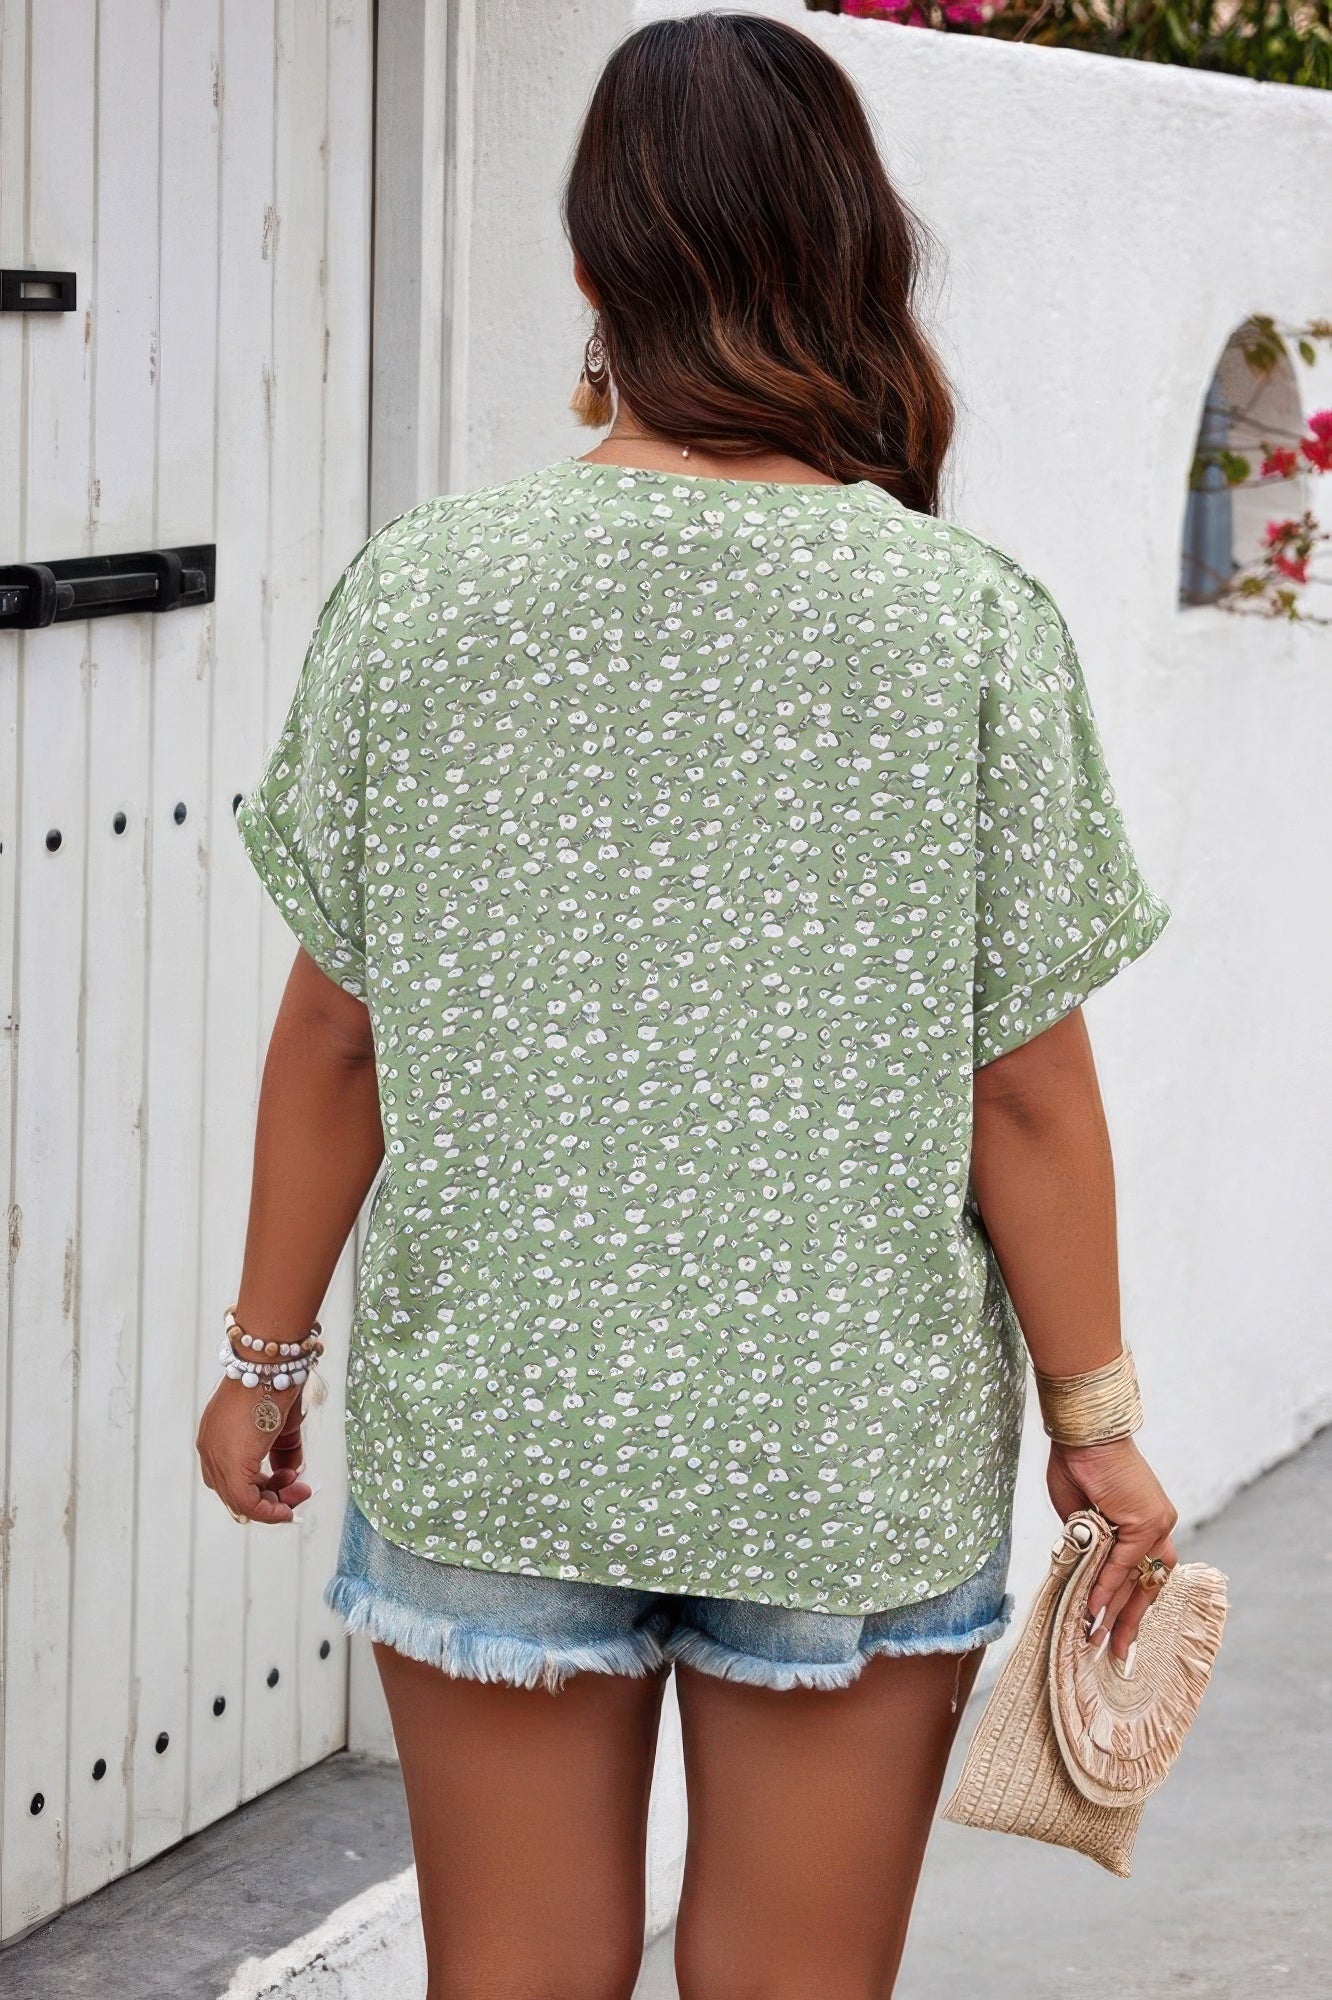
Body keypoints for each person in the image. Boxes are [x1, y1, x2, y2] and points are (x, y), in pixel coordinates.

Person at [196, 13, 1178, 1998]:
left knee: (514, 1976)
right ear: (854, 252)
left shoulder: (424, 591)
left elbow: (336, 1034)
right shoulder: (966, 621)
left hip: (506, 1425)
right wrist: (1098, 1425)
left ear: (591, 266)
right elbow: (1025, 1095)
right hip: (847, 1449)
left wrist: (263, 1357)